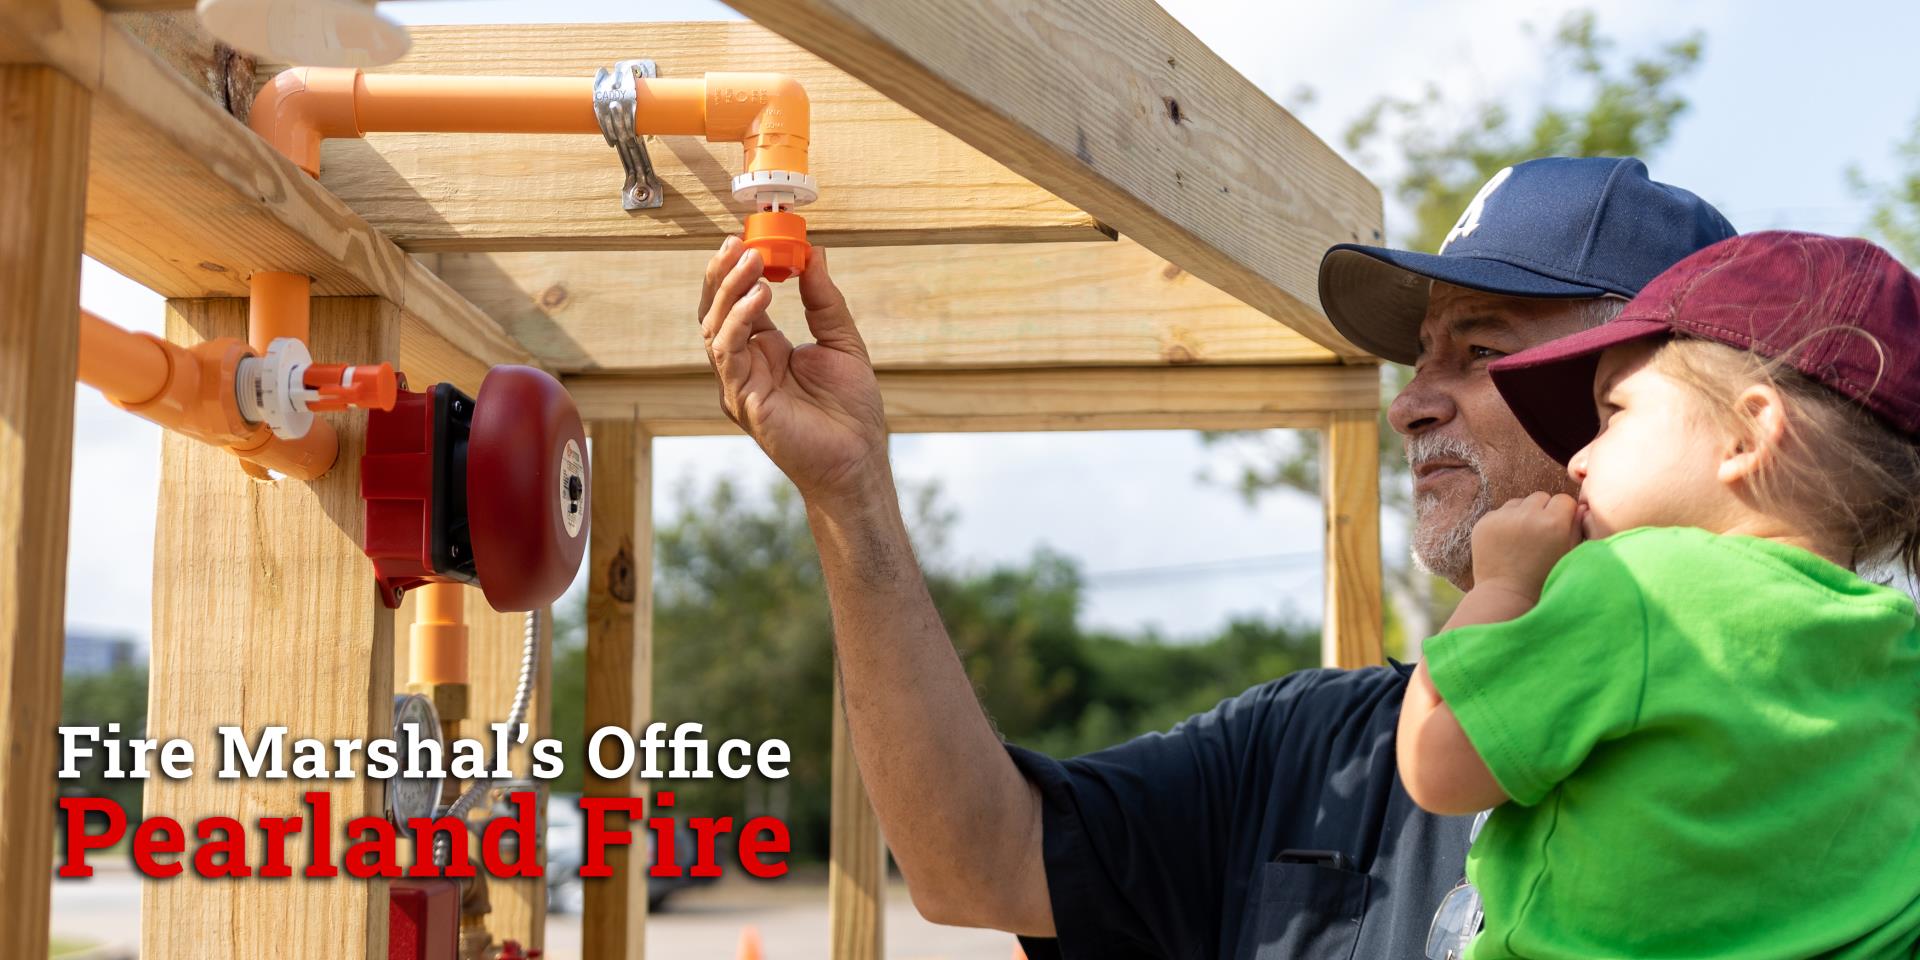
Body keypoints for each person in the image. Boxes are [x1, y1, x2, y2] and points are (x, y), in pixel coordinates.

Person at [694, 157, 1734, 958]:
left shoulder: (1837, 739)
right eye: (1419, 357)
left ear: (1643, 391)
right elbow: (977, 859)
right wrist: (852, 495)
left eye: (1483, 351)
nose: (1410, 403)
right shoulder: (1319, 748)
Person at [1398, 231, 1920, 959]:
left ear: (1749, 432)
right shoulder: (1896, 648)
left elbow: (1436, 764)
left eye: (1612, 415)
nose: (1578, 458)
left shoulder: (1635, 583)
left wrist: (1503, 585)